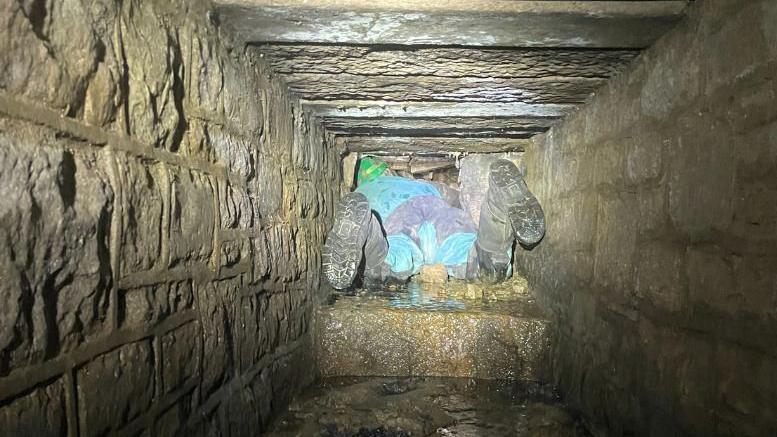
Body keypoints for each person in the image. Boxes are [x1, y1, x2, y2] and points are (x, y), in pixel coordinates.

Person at [322, 156, 545, 289]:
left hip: (398, 222)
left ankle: (365, 224)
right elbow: (456, 199)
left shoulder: (366, 190)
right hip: (436, 208)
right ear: (387, 171)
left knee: (383, 266)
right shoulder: (415, 184)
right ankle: (498, 201)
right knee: (480, 259)